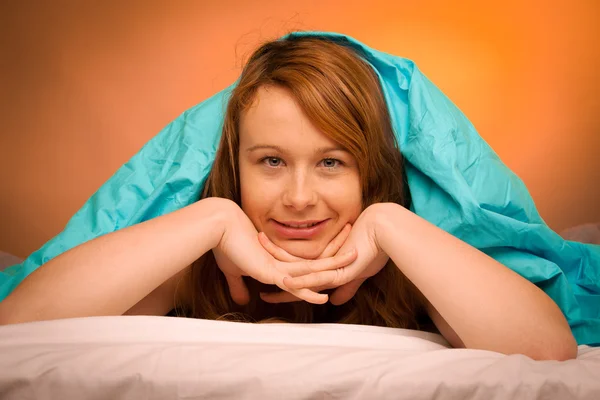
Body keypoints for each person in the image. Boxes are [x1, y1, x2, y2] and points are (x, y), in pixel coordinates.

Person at [0, 35, 577, 360]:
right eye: (271, 162)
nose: (299, 198)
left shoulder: (407, 267)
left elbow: (548, 349)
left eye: (331, 162)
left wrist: (393, 226)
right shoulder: (198, 265)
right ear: (236, 165)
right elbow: (17, 323)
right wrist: (212, 218)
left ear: (372, 168)